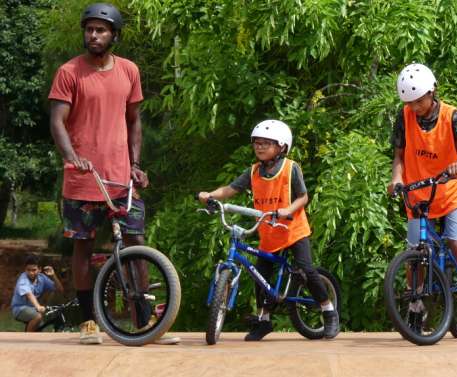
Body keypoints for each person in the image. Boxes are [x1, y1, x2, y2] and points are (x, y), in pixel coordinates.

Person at [48, 3, 177, 345]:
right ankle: (88, 322)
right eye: (89, 29)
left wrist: (135, 165)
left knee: (136, 243)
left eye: (101, 30)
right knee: (83, 249)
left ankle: (147, 324)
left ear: (114, 35)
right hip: (82, 178)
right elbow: (57, 121)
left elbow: (134, 121)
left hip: (121, 179)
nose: (94, 35)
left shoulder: (129, 71)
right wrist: (72, 157)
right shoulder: (69, 72)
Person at [198, 120, 340, 341]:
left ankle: (328, 310)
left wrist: (287, 210)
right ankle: (264, 321)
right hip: (269, 232)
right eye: (257, 143)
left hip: (293, 230)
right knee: (260, 275)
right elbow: (231, 189)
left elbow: (303, 197)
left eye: (266, 143)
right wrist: (210, 195)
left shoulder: (290, 168)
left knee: (306, 270)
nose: (260, 147)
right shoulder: (253, 171)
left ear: (282, 146)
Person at [388, 63, 457, 343]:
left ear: (432, 91)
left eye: (419, 101)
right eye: (410, 103)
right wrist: (396, 178)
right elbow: (399, 157)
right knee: (416, 249)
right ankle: (416, 307)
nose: (415, 108)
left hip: (454, 186)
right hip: (419, 188)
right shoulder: (404, 116)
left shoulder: (451, 115)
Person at [11, 255, 64, 332]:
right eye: (28, 270)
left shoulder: (42, 278)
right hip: (19, 309)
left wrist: (53, 276)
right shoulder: (23, 280)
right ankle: (27, 340)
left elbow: (60, 290)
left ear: (39, 269)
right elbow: (29, 294)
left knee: (41, 331)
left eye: (34, 270)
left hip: (33, 309)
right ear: (25, 269)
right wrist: (38, 307)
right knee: (37, 317)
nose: (31, 273)